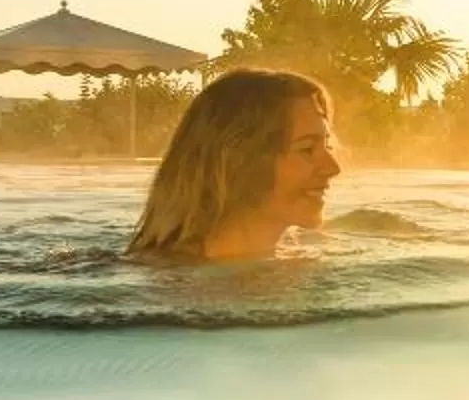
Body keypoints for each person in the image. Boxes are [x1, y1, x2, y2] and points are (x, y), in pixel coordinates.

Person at [125, 68, 342, 260]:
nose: (333, 168)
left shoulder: (293, 267)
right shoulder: (181, 289)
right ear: (238, 163)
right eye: (306, 149)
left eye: (327, 145)